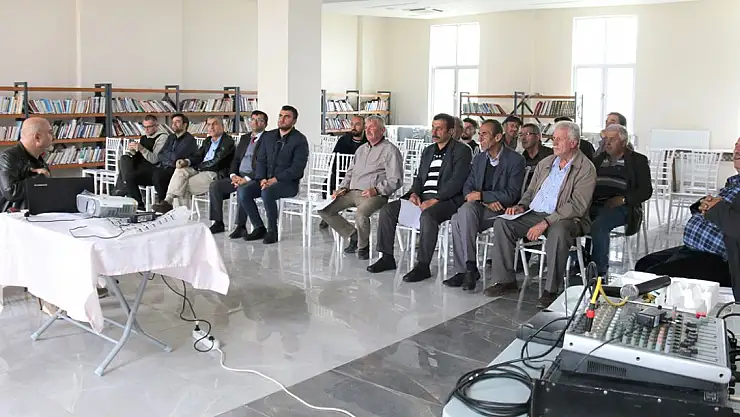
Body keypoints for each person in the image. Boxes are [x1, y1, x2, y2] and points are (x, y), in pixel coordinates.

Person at [486, 121, 596, 307]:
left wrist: (546, 222)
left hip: (567, 218)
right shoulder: (546, 163)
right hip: (535, 212)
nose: (554, 143)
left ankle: (550, 290)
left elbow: (577, 206)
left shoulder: (586, 168)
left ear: (573, 143)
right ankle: (505, 281)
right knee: (503, 223)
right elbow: (530, 191)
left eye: (560, 139)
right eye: (554, 138)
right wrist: (521, 206)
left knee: (558, 232)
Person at [368, 113, 472, 282]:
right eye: (433, 127)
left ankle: (423, 266)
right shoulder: (428, 150)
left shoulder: (462, 151)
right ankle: (387, 257)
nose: (434, 132)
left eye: (439, 129)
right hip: (423, 197)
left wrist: (436, 199)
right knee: (388, 209)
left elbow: (457, 182)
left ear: (451, 131)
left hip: (448, 200)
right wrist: (414, 194)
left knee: (428, 215)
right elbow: (419, 178)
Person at [635, 138, 740, 297]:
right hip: (695, 248)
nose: (737, 150)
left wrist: (716, 208)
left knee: (652, 278)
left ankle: (666, 309)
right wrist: (704, 205)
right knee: (643, 265)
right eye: (736, 145)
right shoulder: (734, 182)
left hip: (721, 258)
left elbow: (733, 223)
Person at [442, 119, 526, 291]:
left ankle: (467, 269)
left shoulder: (515, 160)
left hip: (503, 210)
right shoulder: (479, 159)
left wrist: (481, 195)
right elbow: (467, 187)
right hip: (482, 209)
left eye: (484, 134)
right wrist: (484, 201)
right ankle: (468, 269)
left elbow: (512, 194)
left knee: (460, 217)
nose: (480, 138)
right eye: (479, 134)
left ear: (498, 137)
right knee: (461, 215)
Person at [318, 115, 404, 260]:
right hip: (352, 192)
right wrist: (342, 188)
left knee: (360, 214)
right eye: (366, 127)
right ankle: (353, 235)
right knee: (324, 210)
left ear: (382, 130)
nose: (368, 130)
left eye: (372, 127)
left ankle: (363, 247)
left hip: (374, 194)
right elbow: (350, 172)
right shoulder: (361, 149)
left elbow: (396, 179)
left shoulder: (390, 150)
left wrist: (376, 190)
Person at [588, 124, 652, 276]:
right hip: (594, 203)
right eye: (605, 139)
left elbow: (646, 191)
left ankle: (598, 273)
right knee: (569, 217)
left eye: (612, 139)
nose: (607, 143)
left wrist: (624, 199)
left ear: (623, 142)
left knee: (600, 225)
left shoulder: (637, 160)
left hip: (622, 207)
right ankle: (577, 260)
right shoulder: (598, 159)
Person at [239, 105, 309, 244]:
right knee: (244, 191)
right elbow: (261, 160)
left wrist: (275, 180)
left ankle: (272, 231)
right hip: (265, 181)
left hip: (287, 184)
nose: (282, 119)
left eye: (287, 117)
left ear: (294, 121)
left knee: (267, 192)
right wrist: (262, 178)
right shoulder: (269, 136)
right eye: (280, 116)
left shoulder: (300, 140)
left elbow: (296, 169)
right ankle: (259, 227)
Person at [151, 117, 234, 213]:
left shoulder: (228, 142)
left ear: (222, 127)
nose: (211, 127)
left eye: (214, 124)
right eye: (208, 124)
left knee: (181, 185)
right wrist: (186, 161)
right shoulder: (208, 140)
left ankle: (179, 215)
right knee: (180, 170)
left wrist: (198, 167)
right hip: (200, 169)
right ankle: (168, 201)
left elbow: (216, 162)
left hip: (214, 173)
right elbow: (197, 156)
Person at [208, 110, 268, 236]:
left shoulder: (268, 139)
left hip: (255, 178)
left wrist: (246, 178)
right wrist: (233, 175)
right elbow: (236, 159)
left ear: (265, 124)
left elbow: (265, 164)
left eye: (259, 120)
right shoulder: (245, 138)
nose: (255, 122)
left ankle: (241, 226)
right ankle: (218, 222)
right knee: (215, 186)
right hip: (239, 176)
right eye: (253, 119)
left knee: (243, 188)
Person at [319, 115, 367, 230]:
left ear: (364, 126)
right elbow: (333, 159)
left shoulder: (367, 142)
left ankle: (347, 208)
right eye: (352, 124)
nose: (354, 127)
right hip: (340, 174)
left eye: (357, 124)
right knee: (327, 185)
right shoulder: (343, 140)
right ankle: (328, 213)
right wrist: (337, 173)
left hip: (360, 176)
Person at [114, 114, 169, 210]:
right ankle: (125, 187)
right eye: (144, 127)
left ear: (156, 126)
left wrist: (141, 148)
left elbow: (155, 160)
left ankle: (128, 194)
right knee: (124, 158)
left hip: (152, 169)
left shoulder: (162, 138)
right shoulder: (144, 137)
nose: (146, 130)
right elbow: (138, 155)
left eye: (149, 127)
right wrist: (132, 150)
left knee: (129, 176)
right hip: (140, 166)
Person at [0, 117, 52, 212]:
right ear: (37, 138)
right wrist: (40, 178)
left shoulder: (38, 158)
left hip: (35, 213)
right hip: (14, 216)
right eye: (50, 132)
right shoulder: (8, 157)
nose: (53, 137)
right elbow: (12, 193)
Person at [151, 113, 198, 205]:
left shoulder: (189, 139)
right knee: (147, 173)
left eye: (177, 122)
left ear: (185, 125)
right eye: (173, 122)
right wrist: (169, 157)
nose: (174, 124)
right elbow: (160, 155)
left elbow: (176, 157)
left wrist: (167, 154)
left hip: (178, 169)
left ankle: (164, 204)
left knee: (158, 176)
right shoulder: (171, 137)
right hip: (166, 166)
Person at [519, 123, 553, 189]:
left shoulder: (551, 155)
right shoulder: (521, 159)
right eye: (521, 135)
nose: (523, 138)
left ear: (537, 137)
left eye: (527, 134)